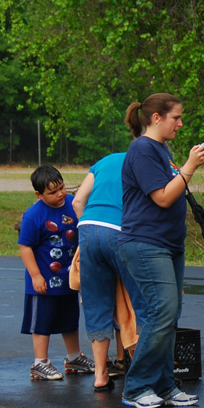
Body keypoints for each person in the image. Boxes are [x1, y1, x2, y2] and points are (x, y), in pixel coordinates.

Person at [117, 93, 204, 408]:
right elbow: (163, 198)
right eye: (176, 118)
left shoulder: (161, 149)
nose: (180, 124)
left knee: (170, 316)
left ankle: (165, 385)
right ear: (157, 118)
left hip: (169, 246)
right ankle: (136, 387)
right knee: (162, 313)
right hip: (145, 244)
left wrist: (184, 167)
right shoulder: (142, 149)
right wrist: (190, 167)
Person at [71, 107, 142, 391]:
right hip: (121, 232)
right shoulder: (147, 161)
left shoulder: (105, 160)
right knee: (139, 302)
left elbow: (77, 201)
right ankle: (140, 369)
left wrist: (86, 232)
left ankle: (100, 375)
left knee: (97, 303)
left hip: (88, 229)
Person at [19, 165, 93, 381]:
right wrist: (35, 276)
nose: (60, 194)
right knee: (42, 322)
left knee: (70, 319)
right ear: (39, 194)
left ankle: (73, 358)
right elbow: (25, 247)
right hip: (44, 281)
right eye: (52, 192)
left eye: (61, 188)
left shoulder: (73, 203)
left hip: (68, 278)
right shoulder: (33, 215)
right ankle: (39, 362)